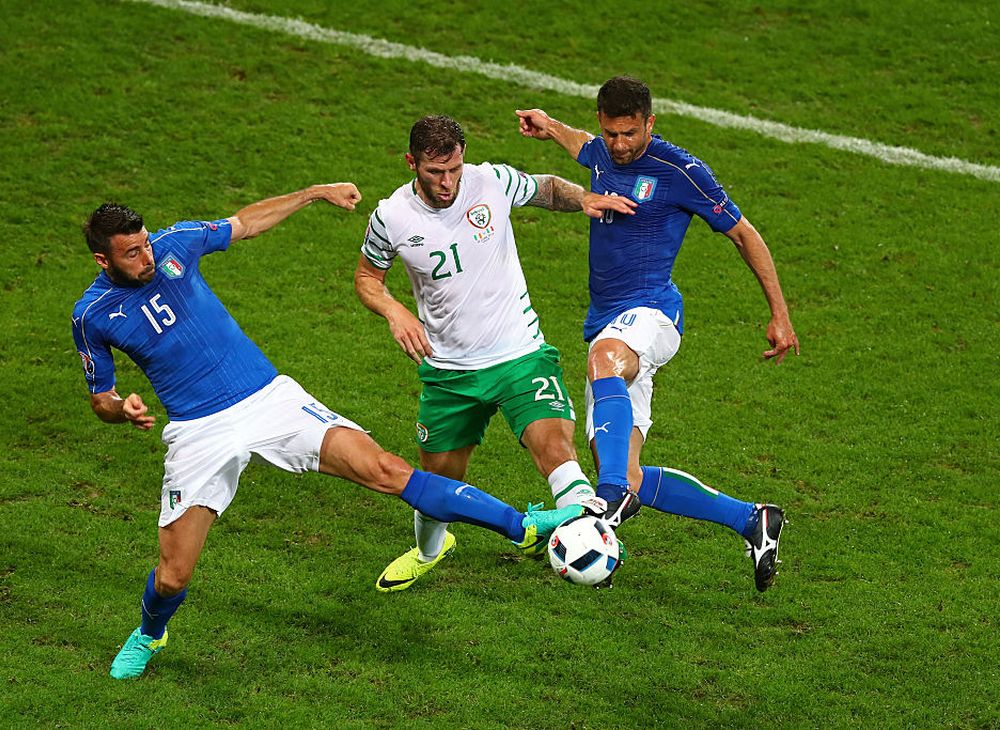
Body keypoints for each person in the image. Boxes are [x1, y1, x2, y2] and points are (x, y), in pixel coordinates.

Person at [71, 186, 583, 679]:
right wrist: (123, 409)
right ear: (103, 260)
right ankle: (149, 633)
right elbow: (101, 398)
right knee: (173, 575)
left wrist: (314, 192)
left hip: (271, 399)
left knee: (387, 469)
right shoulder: (92, 316)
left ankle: (524, 526)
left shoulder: (173, 243)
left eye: (143, 245)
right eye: (132, 254)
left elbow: (246, 223)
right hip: (199, 431)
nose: (147, 258)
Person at [516, 77, 800, 591]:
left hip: (652, 315)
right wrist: (550, 126)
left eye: (629, 133)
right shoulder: (604, 151)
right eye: (611, 133)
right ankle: (752, 519)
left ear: (650, 122)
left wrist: (779, 314)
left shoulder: (680, 170)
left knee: (604, 359)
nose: (619, 145)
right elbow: (586, 147)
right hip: (607, 318)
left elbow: (743, 232)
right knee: (632, 475)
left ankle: (607, 494)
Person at [356, 116, 635, 592]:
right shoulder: (391, 217)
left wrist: (582, 198)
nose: (447, 183)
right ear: (412, 164)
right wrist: (394, 312)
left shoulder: (489, 181)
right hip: (449, 371)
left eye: (454, 170)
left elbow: (544, 188)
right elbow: (366, 278)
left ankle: (593, 538)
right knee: (434, 487)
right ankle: (430, 549)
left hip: (519, 355)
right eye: (434, 173)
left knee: (555, 449)